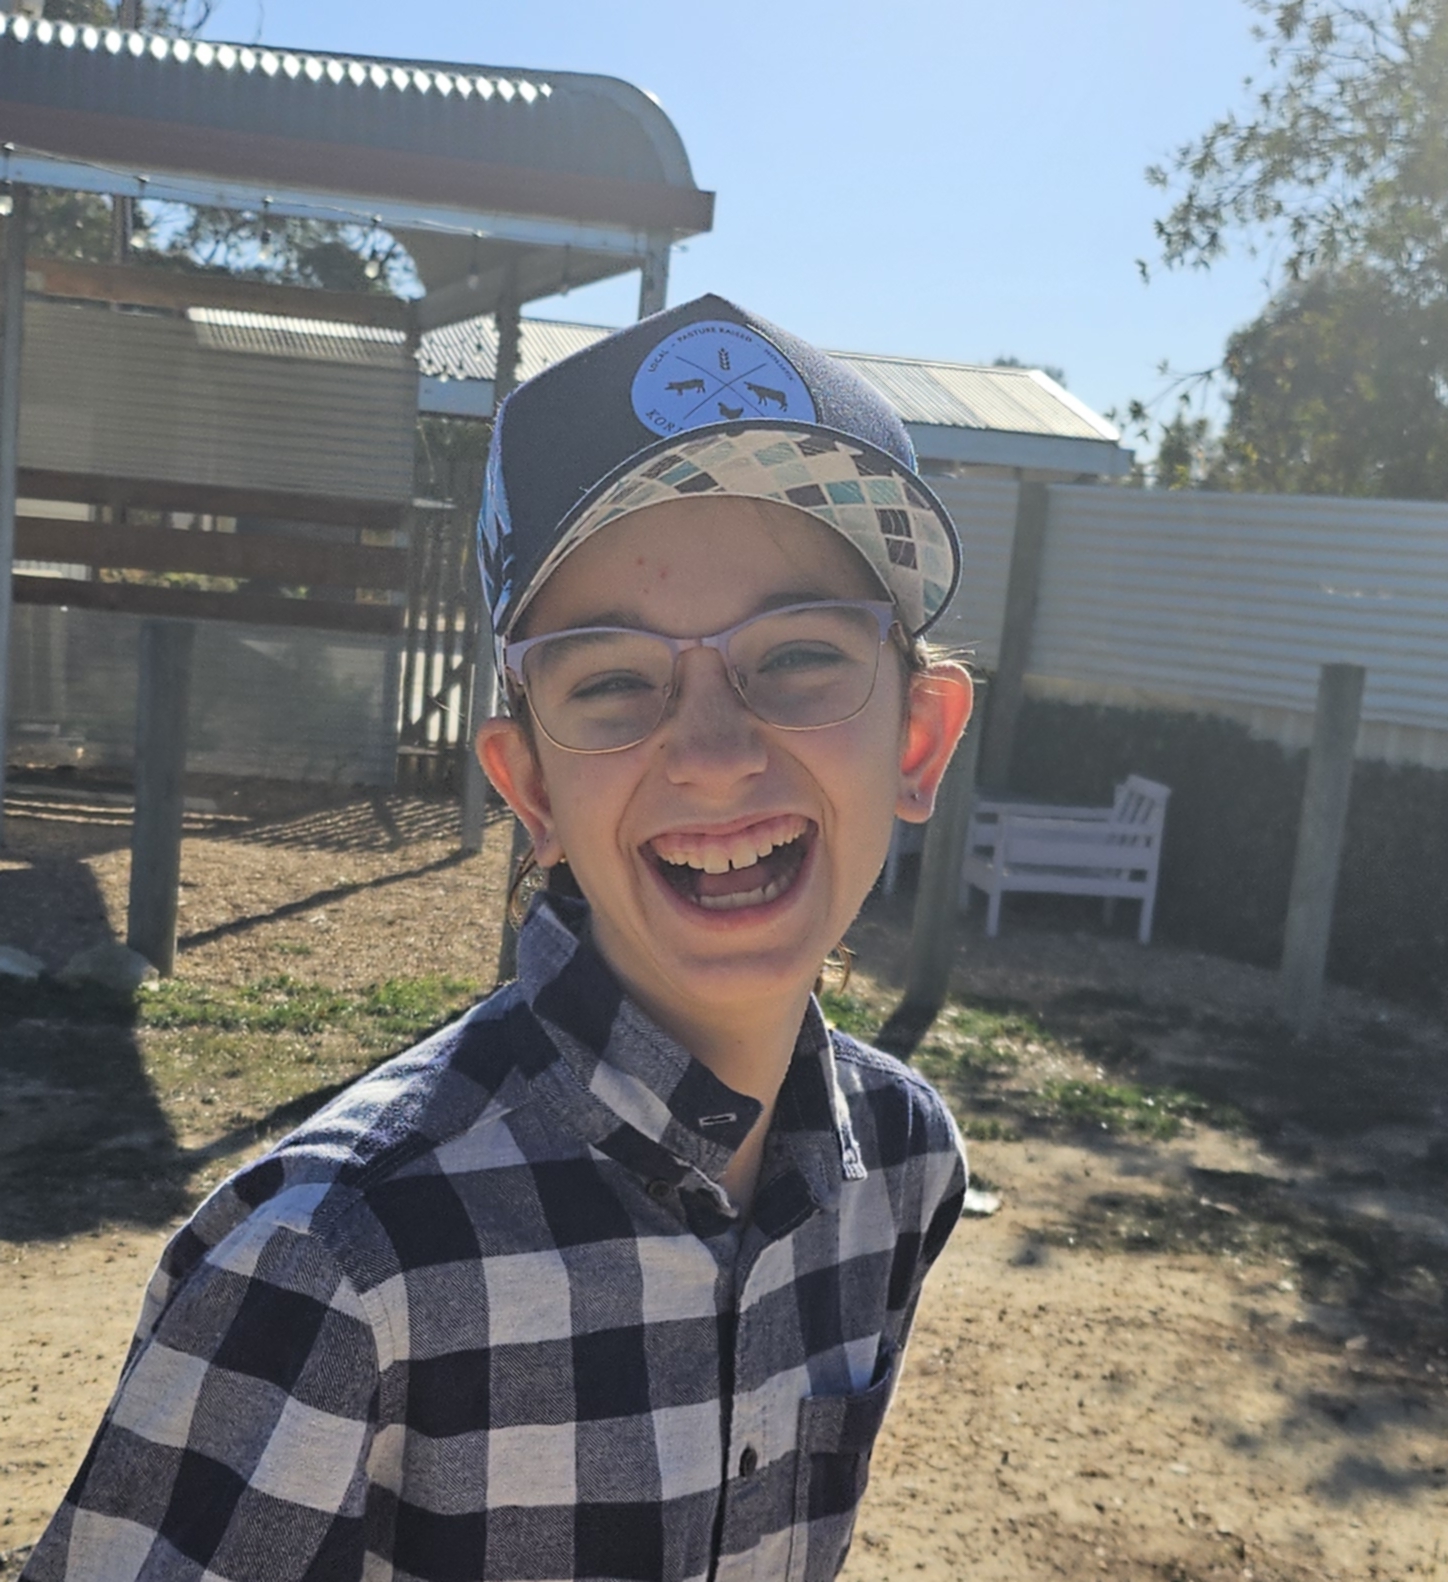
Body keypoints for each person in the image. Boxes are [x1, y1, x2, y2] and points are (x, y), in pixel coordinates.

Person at [24, 295, 974, 1582]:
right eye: (613, 680)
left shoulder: (902, 1170)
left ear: (916, 739)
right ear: (528, 791)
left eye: (800, 655)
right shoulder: (333, 1260)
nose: (710, 752)